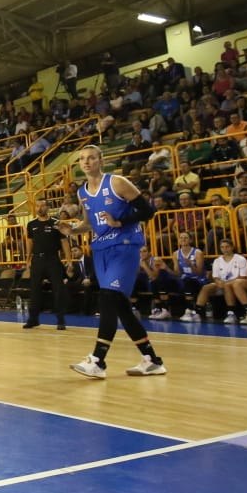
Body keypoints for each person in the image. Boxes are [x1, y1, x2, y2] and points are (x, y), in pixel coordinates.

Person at [62, 145, 166, 378]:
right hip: (101, 250)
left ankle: (98, 360)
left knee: (108, 298)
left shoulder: (117, 183)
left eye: (91, 158)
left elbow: (147, 211)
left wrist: (121, 221)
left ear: (101, 160)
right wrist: (73, 229)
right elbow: (90, 223)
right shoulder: (82, 192)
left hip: (124, 245)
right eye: (82, 159)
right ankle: (152, 360)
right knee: (121, 307)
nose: (86, 162)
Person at [23, 202, 67, 330]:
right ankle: (33, 320)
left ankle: (60, 320)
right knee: (34, 290)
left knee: (58, 290)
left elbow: (64, 241)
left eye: (42, 206)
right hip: (37, 260)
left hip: (53, 259)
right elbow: (30, 242)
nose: (39, 208)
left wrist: (68, 260)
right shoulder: (31, 224)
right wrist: (28, 260)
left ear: (47, 208)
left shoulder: (56, 222)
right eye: (37, 206)